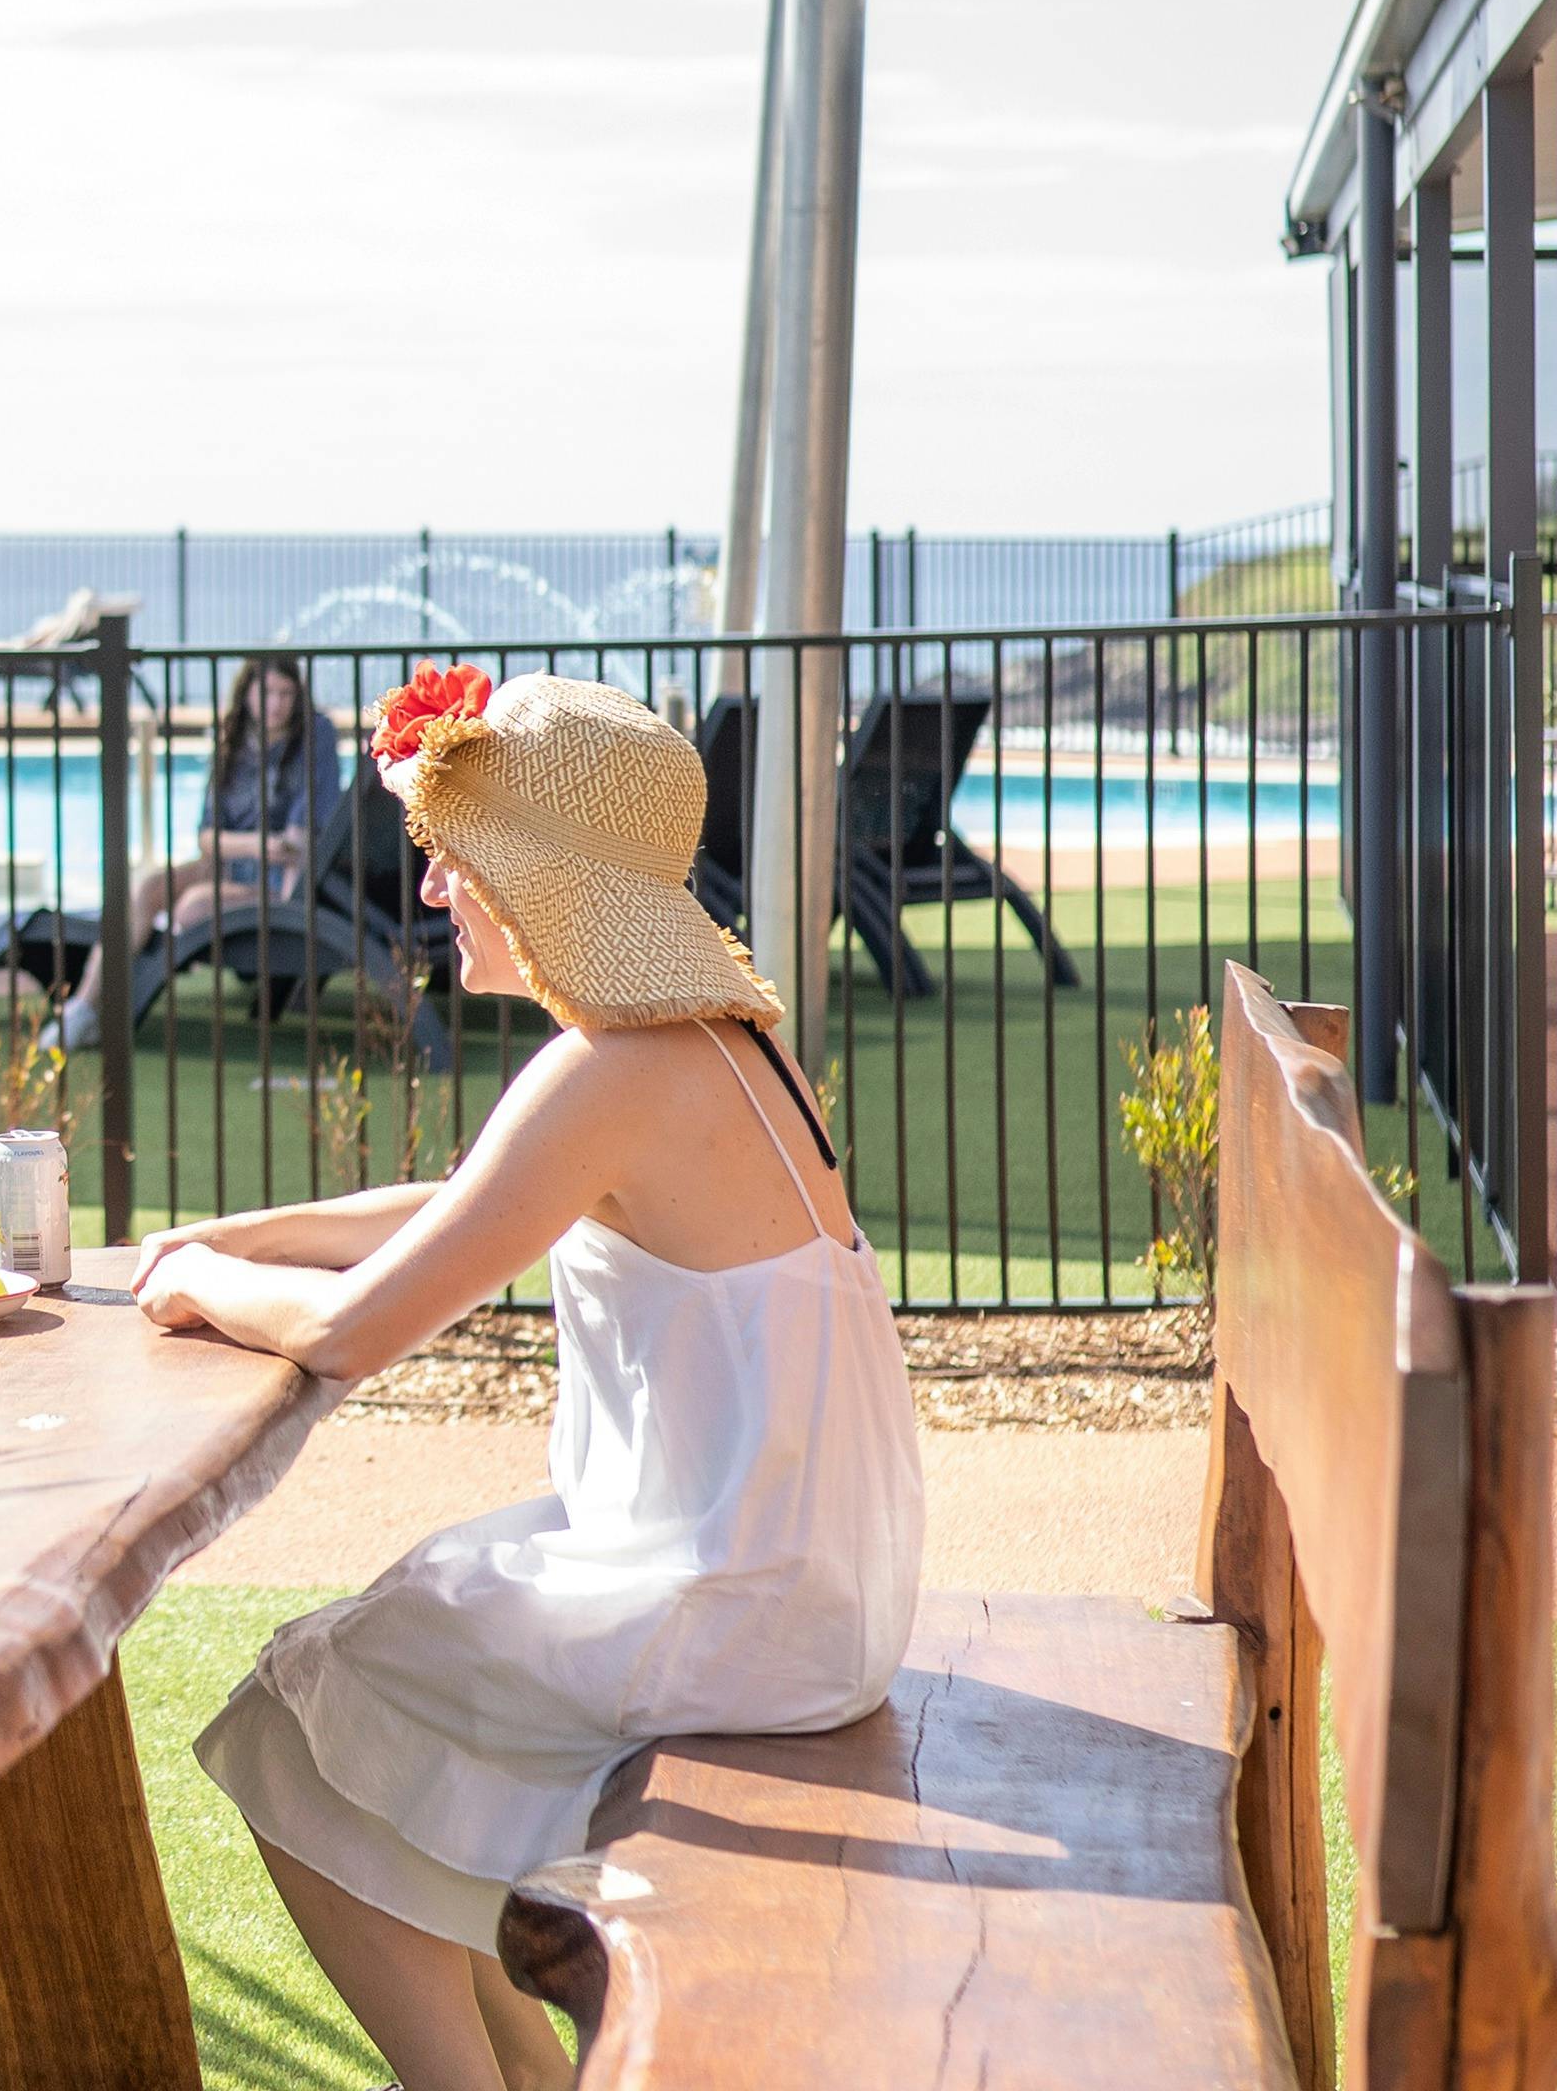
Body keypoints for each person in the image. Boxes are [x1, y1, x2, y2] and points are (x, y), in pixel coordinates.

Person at [126, 666, 923, 2091]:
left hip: (735, 1600)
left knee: (290, 1718)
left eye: (453, 863)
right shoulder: (718, 1047)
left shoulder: (612, 1070)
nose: (434, 894)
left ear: (533, 878)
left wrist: (196, 1288)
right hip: (804, 1575)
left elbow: (356, 1328)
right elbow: (468, 1202)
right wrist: (230, 1236)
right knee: (353, 1691)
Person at [47, 653, 342, 1048]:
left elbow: (297, 842)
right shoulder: (233, 737)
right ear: (248, 693)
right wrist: (261, 845)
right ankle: (83, 1008)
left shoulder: (314, 735)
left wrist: (252, 848)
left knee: (194, 905)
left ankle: (115, 1005)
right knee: (147, 889)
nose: (277, 703)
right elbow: (207, 836)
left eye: (286, 693)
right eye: (268, 691)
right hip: (231, 868)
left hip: (283, 884)